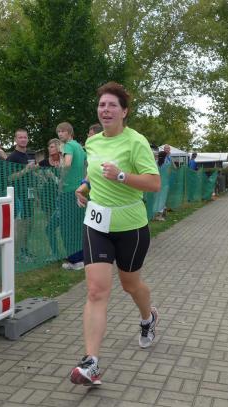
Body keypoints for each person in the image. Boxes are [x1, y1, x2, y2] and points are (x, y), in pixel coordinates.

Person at [69, 82, 161, 386]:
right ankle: (91, 363)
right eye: (101, 105)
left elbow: (154, 183)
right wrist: (85, 186)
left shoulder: (136, 142)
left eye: (112, 105)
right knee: (96, 291)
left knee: (130, 285)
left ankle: (148, 317)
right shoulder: (92, 142)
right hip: (97, 223)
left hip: (131, 226)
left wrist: (121, 176)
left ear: (124, 112)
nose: (105, 110)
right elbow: (93, 171)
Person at [57, 121, 87, 270]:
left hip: (69, 191)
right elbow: (86, 164)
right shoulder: (79, 147)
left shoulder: (68, 146)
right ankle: (82, 258)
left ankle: (74, 261)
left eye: (62, 131)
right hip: (80, 190)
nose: (60, 134)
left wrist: (61, 180)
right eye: (58, 132)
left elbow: (67, 164)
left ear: (69, 132)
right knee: (78, 225)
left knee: (66, 227)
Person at [6, 128, 37, 259]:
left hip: (30, 193)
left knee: (29, 223)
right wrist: (25, 170)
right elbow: (9, 177)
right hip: (19, 195)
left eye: (25, 137)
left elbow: (31, 174)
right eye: (20, 137)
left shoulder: (29, 155)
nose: (23, 139)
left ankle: (24, 250)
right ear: (15, 139)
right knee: (21, 225)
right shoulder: (12, 157)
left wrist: (35, 172)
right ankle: (17, 254)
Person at [153, 144, 173, 221]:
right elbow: (169, 173)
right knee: (162, 199)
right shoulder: (167, 163)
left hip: (156, 183)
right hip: (164, 184)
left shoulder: (155, 163)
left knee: (156, 199)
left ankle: (158, 215)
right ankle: (160, 215)